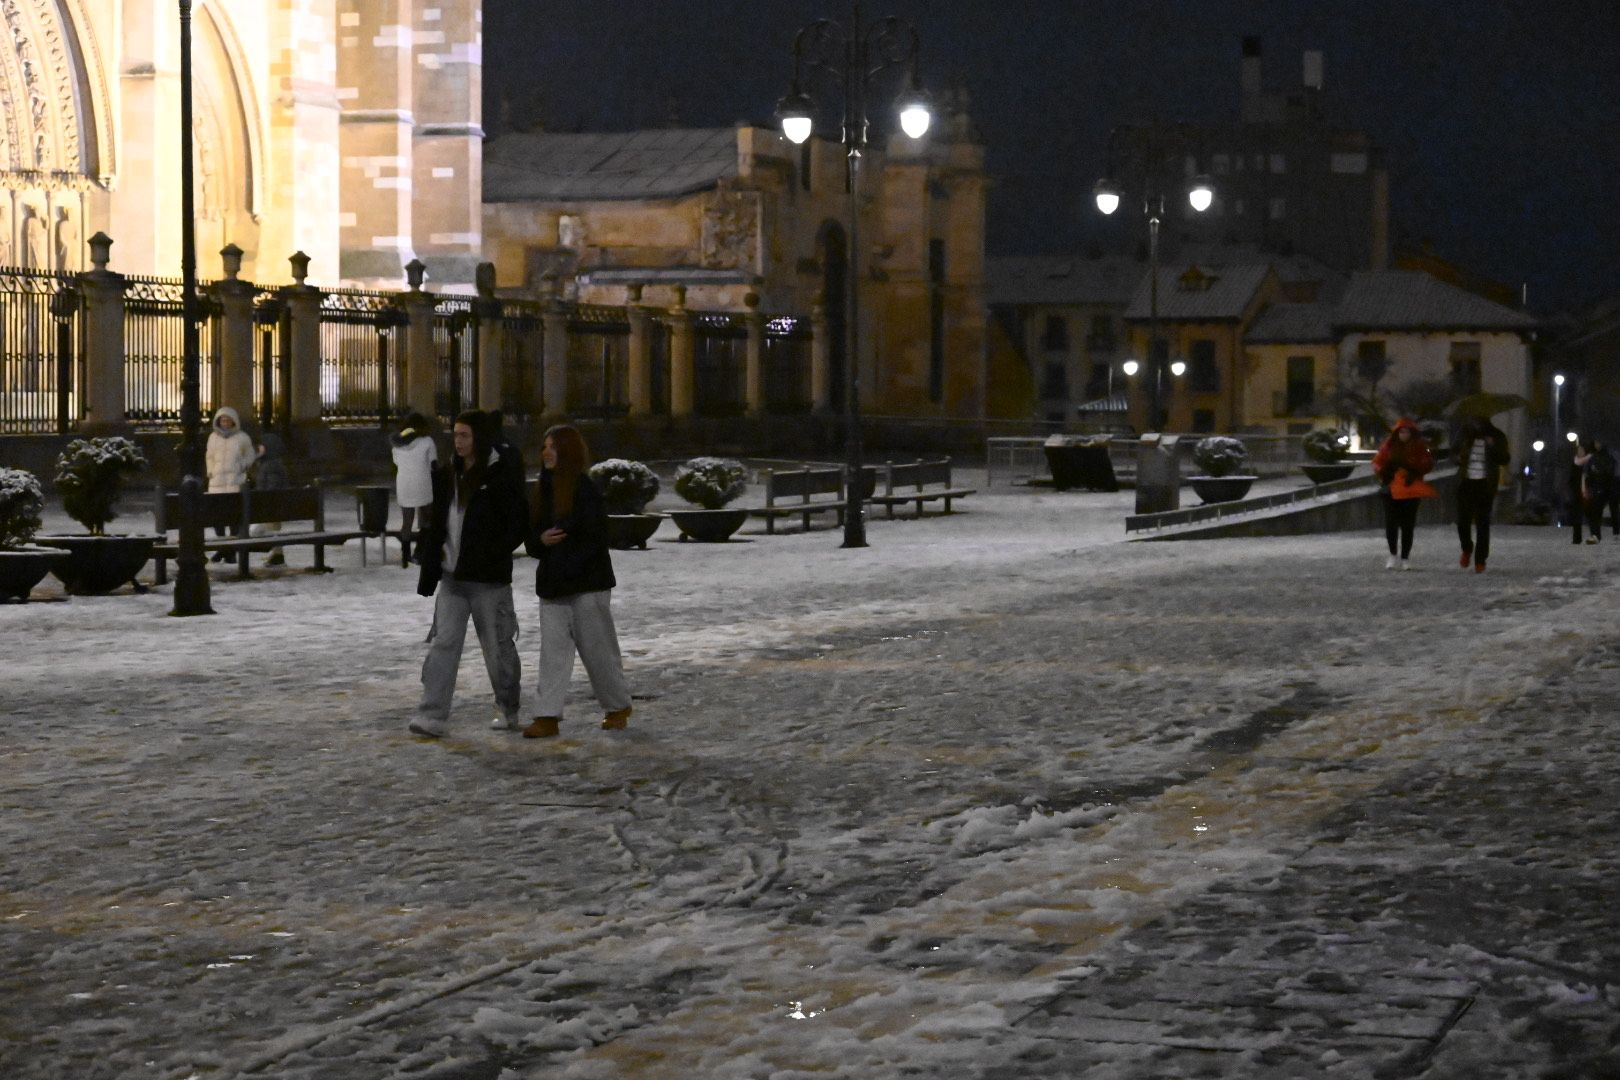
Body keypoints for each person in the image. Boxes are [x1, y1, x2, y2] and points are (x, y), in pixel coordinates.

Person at [409, 410, 526, 739]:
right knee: (444, 643)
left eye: (464, 436)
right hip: (453, 577)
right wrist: (432, 564)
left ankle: (508, 706)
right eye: (455, 435)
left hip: (488, 580)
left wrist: (494, 551)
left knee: (497, 647)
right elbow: (438, 525)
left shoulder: (499, 475)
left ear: (479, 438)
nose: (458, 442)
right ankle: (432, 712)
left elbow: (516, 521)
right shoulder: (449, 475)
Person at [522, 424, 632, 739]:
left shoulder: (586, 490)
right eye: (544, 446)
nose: (546, 453)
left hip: (587, 585)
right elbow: (532, 539)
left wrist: (565, 559)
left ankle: (617, 706)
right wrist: (541, 540)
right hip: (554, 588)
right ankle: (547, 716)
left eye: (553, 447)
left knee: (598, 651)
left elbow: (593, 539)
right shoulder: (542, 490)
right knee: (552, 654)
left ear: (567, 451)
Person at [1371, 418, 1436, 571]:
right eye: (1401, 431)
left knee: (1408, 526)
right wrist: (1384, 474)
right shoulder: (1388, 447)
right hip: (1391, 490)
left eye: (1407, 431)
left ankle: (1405, 557)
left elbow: (1428, 463)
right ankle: (1393, 554)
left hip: (1411, 491)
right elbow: (1376, 463)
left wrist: (1415, 471)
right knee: (1391, 524)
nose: (1404, 434)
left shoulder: (1420, 447)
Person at [1453, 416, 1511, 573]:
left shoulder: (1497, 436)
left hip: (1485, 485)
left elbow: (1504, 459)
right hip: (1466, 483)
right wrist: (1459, 457)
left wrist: (1492, 446)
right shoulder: (1464, 434)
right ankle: (1467, 548)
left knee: (1482, 524)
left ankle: (1480, 559)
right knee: (1462, 521)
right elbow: (1454, 453)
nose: (1476, 424)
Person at [205, 406, 257, 562]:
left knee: (233, 517)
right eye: (222, 420)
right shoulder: (213, 438)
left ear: (234, 422)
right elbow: (209, 456)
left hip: (235, 481)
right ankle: (223, 547)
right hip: (217, 482)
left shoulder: (242, 438)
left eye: (228, 420)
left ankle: (230, 549)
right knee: (217, 518)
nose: (225, 422)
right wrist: (210, 471)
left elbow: (250, 455)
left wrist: (241, 466)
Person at [390, 412, 437, 567]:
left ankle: (405, 557)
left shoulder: (397, 445)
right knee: (427, 519)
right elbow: (433, 463)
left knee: (407, 521)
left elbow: (396, 462)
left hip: (404, 483)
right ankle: (421, 551)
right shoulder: (427, 441)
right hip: (423, 482)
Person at [251, 430, 290, 567]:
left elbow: (272, 487)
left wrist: (263, 498)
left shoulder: (271, 465)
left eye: (260, 446)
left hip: (271, 505)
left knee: (260, 530)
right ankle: (277, 554)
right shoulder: (268, 464)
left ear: (268, 448)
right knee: (272, 528)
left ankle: (276, 553)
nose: (257, 449)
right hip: (272, 506)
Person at [1570, 437, 1614, 545]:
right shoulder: (1576, 461)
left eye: (1582, 450)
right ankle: (1578, 538)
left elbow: (1593, 474)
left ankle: (1595, 535)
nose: (1580, 452)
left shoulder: (1592, 459)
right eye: (1579, 450)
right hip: (1578, 491)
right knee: (1579, 515)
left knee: (1593, 514)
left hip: (1592, 490)